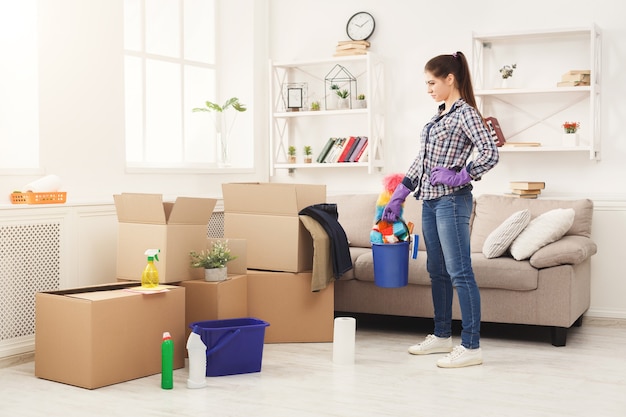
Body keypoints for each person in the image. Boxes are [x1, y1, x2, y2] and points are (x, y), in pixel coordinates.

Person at [382, 51, 499, 368]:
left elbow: (490, 152)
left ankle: (471, 346)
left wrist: (463, 174)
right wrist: (400, 194)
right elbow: (421, 162)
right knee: (437, 272)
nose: (429, 88)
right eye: (426, 83)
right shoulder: (437, 117)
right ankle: (442, 335)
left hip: (452, 201)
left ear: (450, 79)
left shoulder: (466, 114)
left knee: (460, 272)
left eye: (432, 82)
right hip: (430, 202)